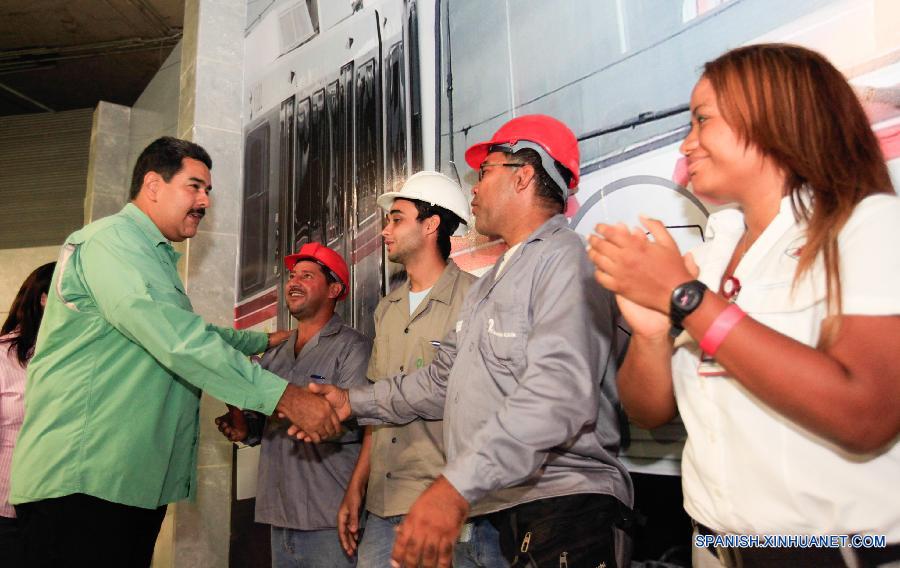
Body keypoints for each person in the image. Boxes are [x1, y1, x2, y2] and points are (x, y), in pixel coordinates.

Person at [587, 43, 900, 567]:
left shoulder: (867, 226)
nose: (686, 143)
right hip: (711, 548)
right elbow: (649, 411)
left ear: (775, 117)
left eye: (701, 120)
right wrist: (648, 333)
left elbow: (865, 415)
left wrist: (685, 299)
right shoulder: (710, 254)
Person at [300, 115, 633, 568]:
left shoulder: (564, 260)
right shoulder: (489, 285)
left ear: (523, 176)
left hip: (568, 506)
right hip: (513, 509)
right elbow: (440, 382)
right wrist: (350, 403)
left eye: (485, 171)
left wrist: (454, 484)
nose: (473, 188)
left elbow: (559, 396)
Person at [9, 137, 340, 567]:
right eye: (195, 186)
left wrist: (260, 341)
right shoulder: (112, 242)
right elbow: (176, 339)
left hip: (124, 482)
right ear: (152, 185)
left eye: (208, 191)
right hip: (85, 480)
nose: (205, 200)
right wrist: (285, 396)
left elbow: (188, 330)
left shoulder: (152, 255)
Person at [336, 172, 480, 567]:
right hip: (383, 507)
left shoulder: (475, 300)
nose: (386, 230)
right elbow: (378, 406)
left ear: (431, 225)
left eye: (397, 218)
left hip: (446, 508)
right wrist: (357, 487)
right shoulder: (387, 309)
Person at [215, 243, 371, 568]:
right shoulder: (276, 351)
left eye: (307, 275)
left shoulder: (353, 348)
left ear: (335, 288)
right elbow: (263, 424)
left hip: (330, 519)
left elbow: (352, 424)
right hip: (280, 516)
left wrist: (301, 411)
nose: (293, 282)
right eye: (292, 275)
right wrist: (247, 426)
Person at [0, 262, 55, 565]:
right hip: (7, 511)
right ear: (44, 298)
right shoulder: (3, 356)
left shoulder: (70, 358)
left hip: (55, 509)